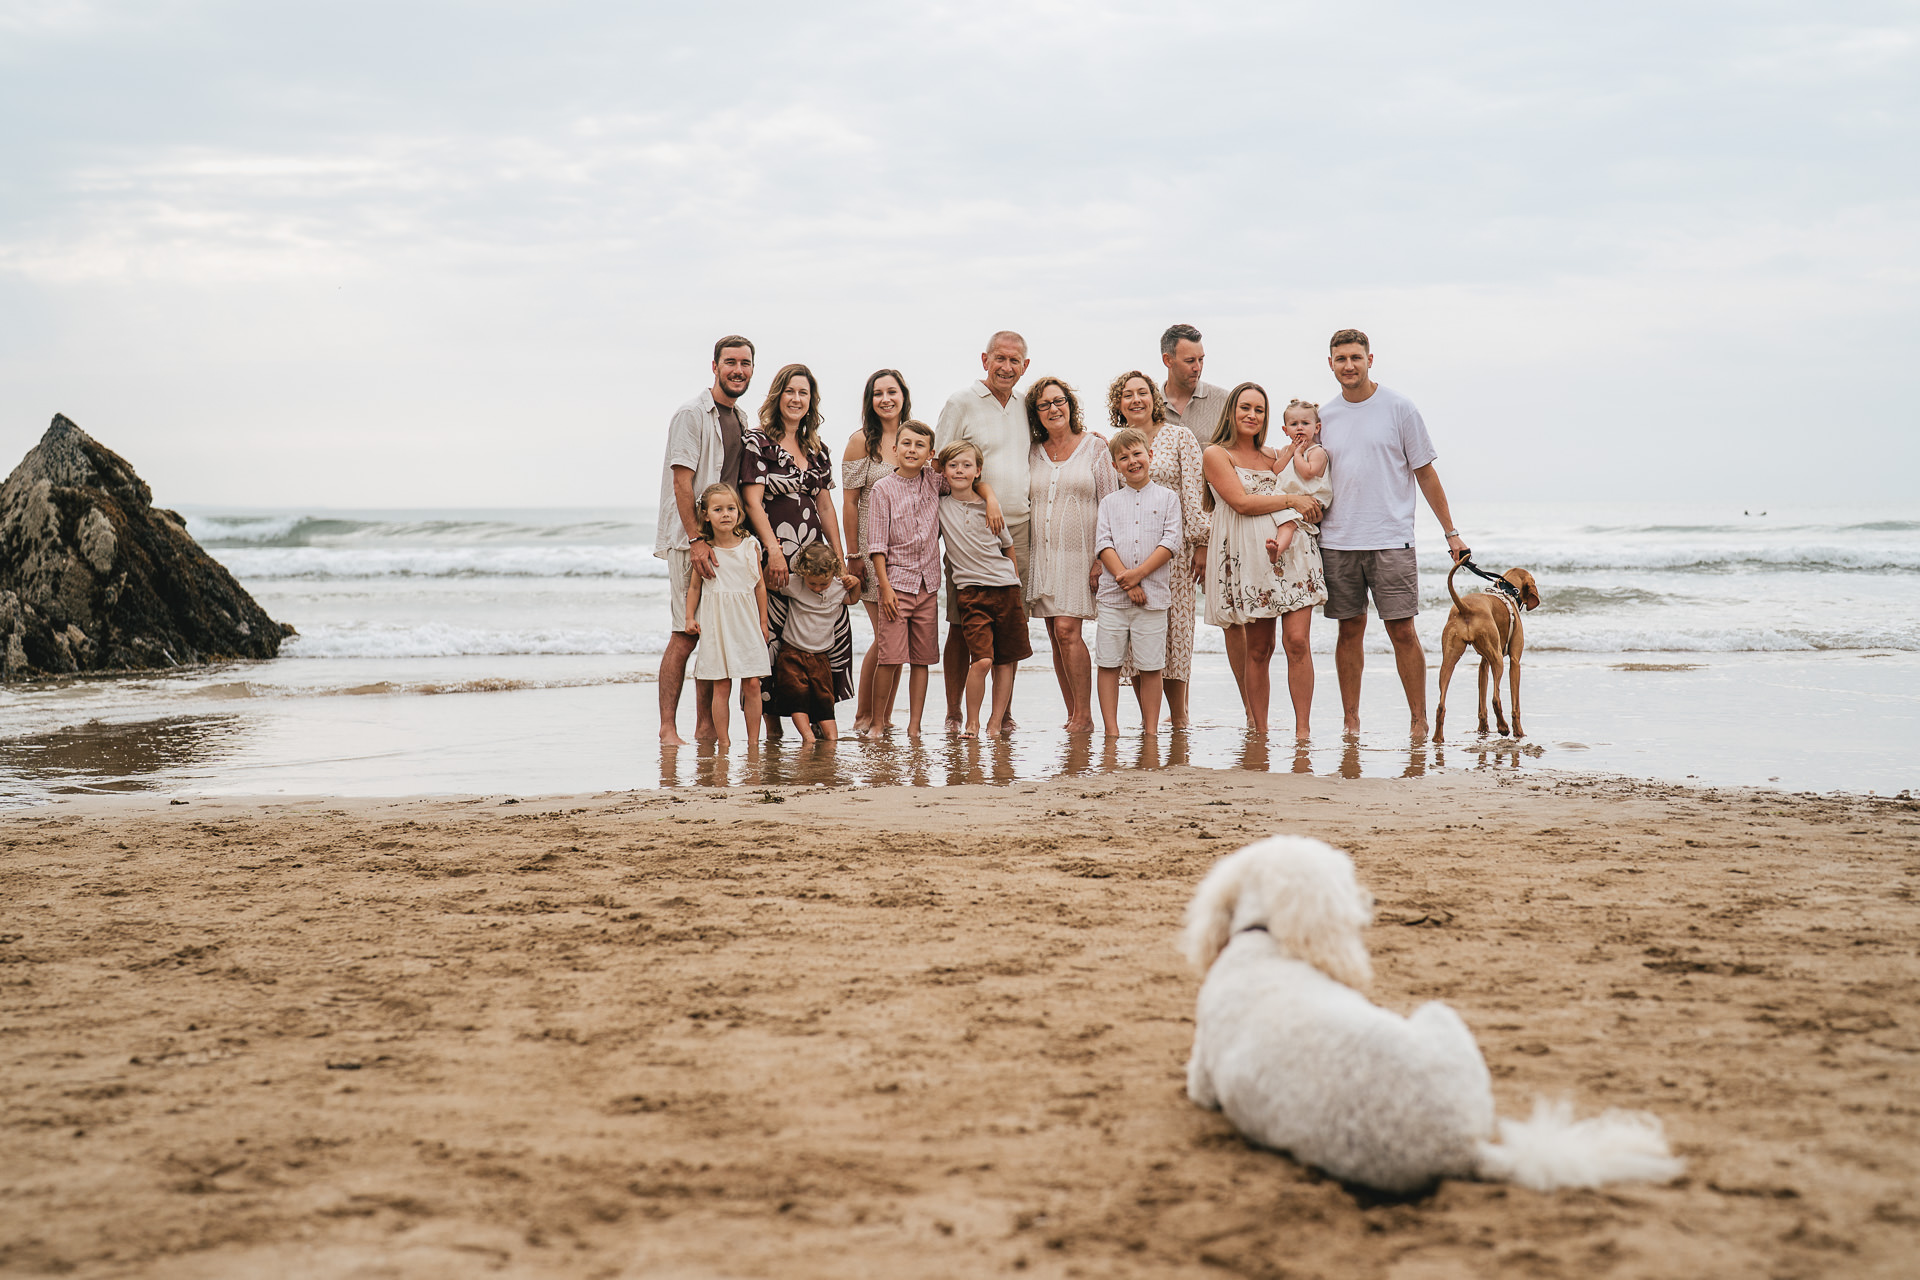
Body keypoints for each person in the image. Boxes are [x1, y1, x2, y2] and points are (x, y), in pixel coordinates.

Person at [1316, 329, 1468, 741]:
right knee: (1349, 631)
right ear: (1330, 364)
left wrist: (1451, 533)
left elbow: (1425, 472)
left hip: (1391, 539)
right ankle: (1351, 720)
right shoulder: (1323, 417)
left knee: (1402, 631)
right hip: (1337, 540)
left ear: (1370, 360)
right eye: (1341, 358)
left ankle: (1418, 720)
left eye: (1356, 357)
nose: (1349, 365)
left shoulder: (1400, 408)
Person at [1202, 383, 1328, 738]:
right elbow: (1241, 503)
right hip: (1251, 560)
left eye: (1259, 410)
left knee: (1298, 642)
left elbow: (1311, 482)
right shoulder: (1216, 454)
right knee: (1259, 649)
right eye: (1245, 407)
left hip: (1293, 553)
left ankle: (1303, 731)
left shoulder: (1276, 455)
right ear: (1231, 411)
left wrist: (1306, 504)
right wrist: (1291, 501)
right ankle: (1260, 730)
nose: (1252, 415)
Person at [740, 363, 857, 738]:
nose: (796, 398)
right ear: (778, 396)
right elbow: (753, 502)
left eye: (803, 393)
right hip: (774, 556)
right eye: (790, 391)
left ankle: (820, 714)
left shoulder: (818, 449)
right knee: (772, 639)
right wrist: (772, 551)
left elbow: (825, 507)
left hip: (814, 564)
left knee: (820, 636)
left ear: (811, 400)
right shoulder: (757, 442)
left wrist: (838, 561)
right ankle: (773, 729)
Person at [655, 336, 755, 746]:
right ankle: (667, 728)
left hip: (724, 542)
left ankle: (704, 729)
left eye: (745, 364)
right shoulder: (692, 414)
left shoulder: (740, 418)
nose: (738, 370)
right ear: (713, 366)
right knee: (686, 632)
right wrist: (697, 539)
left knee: (711, 634)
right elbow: (682, 482)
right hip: (690, 540)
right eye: (730, 362)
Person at [869, 420, 999, 736]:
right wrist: (883, 587)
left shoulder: (933, 481)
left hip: (928, 586)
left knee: (922, 660)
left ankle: (914, 727)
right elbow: (876, 544)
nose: (912, 450)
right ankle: (876, 723)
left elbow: (966, 480)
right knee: (889, 659)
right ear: (894, 449)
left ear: (930, 454)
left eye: (920, 446)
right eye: (907, 444)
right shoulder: (882, 489)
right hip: (896, 586)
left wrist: (991, 498)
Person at [936, 331, 1033, 731]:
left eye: (1015, 360)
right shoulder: (961, 402)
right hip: (970, 528)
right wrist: (985, 496)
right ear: (984, 359)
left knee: (1008, 626)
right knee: (962, 625)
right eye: (1000, 358)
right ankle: (955, 711)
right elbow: (940, 466)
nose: (1006, 367)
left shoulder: (1027, 406)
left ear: (1025, 366)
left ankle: (1003, 713)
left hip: (1020, 528)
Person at [1107, 370, 1209, 728]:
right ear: (1118, 405)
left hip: (1174, 555)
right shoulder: (1116, 444)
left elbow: (1194, 491)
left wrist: (1202, 544)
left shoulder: (1179, 437)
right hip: (1129, 555)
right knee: (1137, 635)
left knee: (1175, 633)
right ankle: (1147, 718)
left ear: (1154, 398)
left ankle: (1179, 717)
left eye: (1142, 392)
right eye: (1127, 395)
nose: (1136, 400)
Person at [1025, 376, 1116, 733]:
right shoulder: (1032, 451)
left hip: (1081, 556)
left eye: (1058, 401)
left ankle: (1085, 716)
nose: (1053, 408)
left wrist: (1101, 557)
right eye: (1044, 404)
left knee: (1067, 630)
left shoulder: (1094, 447)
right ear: (1036, 413)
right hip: (1043, 554)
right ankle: (1073, 713)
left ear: (1070, 404)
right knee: (1055, 634)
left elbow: (1110, 502)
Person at [936, 440, 1030, 738]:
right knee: (983, 660)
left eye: (966, 465)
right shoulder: (940, 506)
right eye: (953, 465)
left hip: (1005, 589)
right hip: (971, 593)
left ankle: (995, 722)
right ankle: (972, 722)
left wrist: (1013, 581)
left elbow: (1008, 546)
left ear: (978, 470)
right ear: (943, 471)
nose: (960, 470)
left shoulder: (991, 508)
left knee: (1005, 661)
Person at [1094, 428, 1183, 737]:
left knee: (1150, 666)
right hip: (1112, 599)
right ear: (1116, 465)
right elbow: (1103, 544)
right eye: (1124, 457)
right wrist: (1128, 584)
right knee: (1108, 663)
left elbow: (1171, 542)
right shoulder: (1109, 502)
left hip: (1154, 598)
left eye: (1137, 454)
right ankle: (1111, 730)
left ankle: (1151, 731)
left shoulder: (1168, 498)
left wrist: (1139, 576)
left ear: (1150, 456)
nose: (1132, 461)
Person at [842, 369, 910, 735]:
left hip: (907, 555)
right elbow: (850, 504)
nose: (886, 399)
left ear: (903, 395)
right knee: (888, 635)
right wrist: (854, 554)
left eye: (892, 392)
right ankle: (864, 717)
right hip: (872, 552)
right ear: (870, 401)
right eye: (878, 393)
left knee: (895, 639)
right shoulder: (860, 443)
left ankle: (881, 716)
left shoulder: (913, 438)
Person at [683, 483, 771, 750]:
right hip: (717, 625)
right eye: (718, 509)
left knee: (753, 683)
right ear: (706, 515)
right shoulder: (704, 550)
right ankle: (724, 743)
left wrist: (763, 622)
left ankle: (754, 743)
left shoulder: (749, 546)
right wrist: (689, 617)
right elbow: (695, 587)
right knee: (721, 686)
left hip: (746, 624)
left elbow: (759, 586)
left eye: (731, 508)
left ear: (739, 512)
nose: (726, 514)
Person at [773, 542, 859, 743]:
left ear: (833, 574)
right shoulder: (795, 583)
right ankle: (808, 737)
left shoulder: (838, 588)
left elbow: (853, 600)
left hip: (821, 657)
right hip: (792, 653)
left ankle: (832, 738)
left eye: (823, 584)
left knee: (824, 699)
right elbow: (770, 582)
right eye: (812, 584)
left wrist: (856, 583)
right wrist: (775, 557)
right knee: (797, 697)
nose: (818, 588)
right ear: (803, 574)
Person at [1266, 400, 1332, 566]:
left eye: (1305, 423)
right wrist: (1290, 453)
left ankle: (1277, 550)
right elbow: (1277, 469)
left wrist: (1298, 454)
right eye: (1294, 424)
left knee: (1288, 525)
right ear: (1285, 430)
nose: (1300, 428)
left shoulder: (1316, 452)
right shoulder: (1287, 450)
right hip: (1291, 500)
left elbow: (1308, 473)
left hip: (1310, 499)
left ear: (1316, 428)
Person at [1159, 323, 1231, 441]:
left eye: (1201, 359)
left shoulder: (1226, 402)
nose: (1197, 367)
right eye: (1190, 361)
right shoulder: (1148, 405)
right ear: (1167, 360)